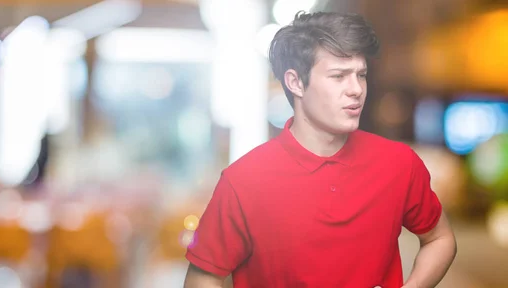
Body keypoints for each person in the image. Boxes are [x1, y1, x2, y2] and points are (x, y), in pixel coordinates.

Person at [183, 11, 457, 288]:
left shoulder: (399, 163)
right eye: (339, 76)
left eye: (360, 75)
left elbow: (440, 239)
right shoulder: (243, 181)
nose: (356, 90)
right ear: (295, 82)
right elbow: (204, 276)